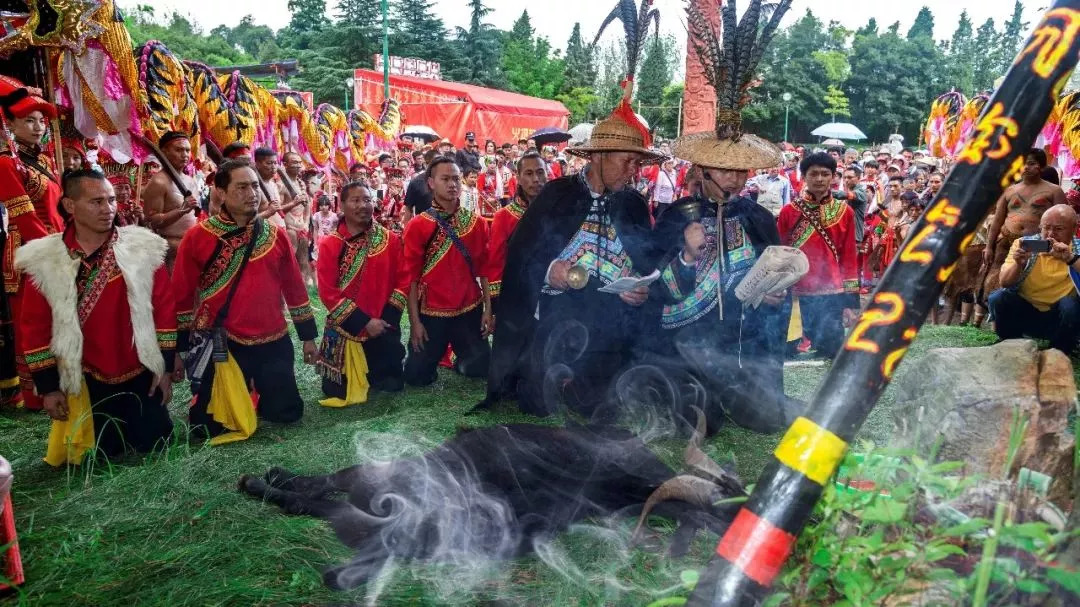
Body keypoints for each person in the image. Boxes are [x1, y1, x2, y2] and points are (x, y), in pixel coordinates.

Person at [479, 101, 661, 418]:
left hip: (608, 325)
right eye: (627, 161)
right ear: (599, 155)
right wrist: (549, 271)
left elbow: (647, 259)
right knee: (537, 404)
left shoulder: (634, 203)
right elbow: (522, 254)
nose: (634, 171)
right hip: (555, 317)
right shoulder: (557, 194)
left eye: (637, 162)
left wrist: (640, 289)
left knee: (597, 406)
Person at [16, 169, 175, 464]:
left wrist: (164, 368)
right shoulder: (45, 259)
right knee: (98, 456)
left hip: (140, 371)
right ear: (69, 206)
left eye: (111, 200)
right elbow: (34, 327)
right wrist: (50, 388)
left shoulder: (143, 248)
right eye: (97, 202)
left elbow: (165, 310)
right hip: (85, 380)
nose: (108, 209)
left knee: (156, 444)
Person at [173, 159, 318, 444]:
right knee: (208, 428)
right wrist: (177, 349)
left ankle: (256, 391)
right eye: (242, 187)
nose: (252, 193)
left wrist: (308, 337)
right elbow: (180, 296)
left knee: (287, 413)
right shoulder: (198, 237)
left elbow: (294, 288)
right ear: (221, 193)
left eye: (255, 186)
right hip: (220, 340)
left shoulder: (274, 235)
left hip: (271, 336)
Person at [397, 157, 493, 386]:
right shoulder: (417, 225)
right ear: (431, 183)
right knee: (417, 377)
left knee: (481, 368)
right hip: (432, 313)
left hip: (468, 309)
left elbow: (485, 270)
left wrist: (488, 310)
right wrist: (415, 323)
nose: (452, 184)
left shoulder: (476, 223)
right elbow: (411, 279)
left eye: (456, 179)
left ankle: (461, 360)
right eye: (445, 179)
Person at [0, 77, 65, 410]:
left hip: (57, 244)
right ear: (9, 122)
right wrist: (57, 249)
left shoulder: (46, 161)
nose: (38, 126)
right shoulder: (7, 164)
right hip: (30, 253)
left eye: (41, 120)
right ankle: (36, 394)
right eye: (29, 120)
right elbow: (25, 218)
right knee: (33, 321)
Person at [316, 182, 405, 404]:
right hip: (347, 329)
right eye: (355, 200)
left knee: (391, 384)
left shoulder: (389, 240)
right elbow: (329, 293)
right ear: (343, 204)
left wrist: (385, 319)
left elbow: (404, 279)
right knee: (336, 391)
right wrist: (364, 322)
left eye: (366, 200)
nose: (362, 205)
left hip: (383, 326)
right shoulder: (330, 244)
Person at [778, 152, 860, 358]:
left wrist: (850, 304)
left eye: (825, 174)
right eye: (813, 174)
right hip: (795, 293)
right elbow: (780, 252)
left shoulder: (845, 212)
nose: (820, 179)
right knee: (786, 354)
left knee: (831, 352)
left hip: (832, 293)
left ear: (833, 177)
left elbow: (849, 257)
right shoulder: (788, 211)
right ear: (804, 177)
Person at [988, 204, 1080, 354]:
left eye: (1058, 229)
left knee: (1069, 305)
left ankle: (1060, 350)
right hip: (1026, 312)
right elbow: (1004, 282)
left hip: (1059, 318)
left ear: (1074, 228)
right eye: (1046, 228)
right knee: (999, 297)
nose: (1051, 234)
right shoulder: (1023, 244)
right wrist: (1018, 265)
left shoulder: (1077, 248)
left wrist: (1070, 258)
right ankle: (1010, 342)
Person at [982, 149, 1067, 306]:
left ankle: (1029, 314)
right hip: (1006, 240)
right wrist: (989, 247)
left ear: (1041, 167)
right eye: (1022, 164)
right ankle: (993, 318)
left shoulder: (1054, 191)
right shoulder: (1009, 191)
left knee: (1030, 279)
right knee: (997, 277)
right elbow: (997, 222)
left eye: (1031, 163)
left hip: (1036, 243)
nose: (1025, 167)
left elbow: (1065, 219)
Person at [483, 151, 547, 317]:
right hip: (516, 298)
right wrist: (496, 306)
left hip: (551, 298)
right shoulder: (504, 216)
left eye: (540, 172)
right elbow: (495, 264)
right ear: (517, 177)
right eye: (529, 173)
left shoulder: (556, 212)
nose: (536, 179)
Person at [141, 131, 200, 271]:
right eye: (178, 150)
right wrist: (181, 210)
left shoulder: (191, 180)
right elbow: (152, 220)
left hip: (192, 247)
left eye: (187, 150)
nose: (185, 154)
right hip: (171, 251)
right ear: (164, 152)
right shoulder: (159, 182)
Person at [837, 166, 870, 293]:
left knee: (851, 265)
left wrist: (827, 192)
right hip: (844, 234)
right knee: (843, 263)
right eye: (845, 177)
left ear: (859, 178)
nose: (846, 180)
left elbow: (848, 195)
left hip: (854, 235)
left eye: (850, 177)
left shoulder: (861, 192)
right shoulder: (847, 191)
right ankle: (844, 291)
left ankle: (851, 294)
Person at [403, 149, 437, 222]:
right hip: (423, 227)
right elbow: (408, 209)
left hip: (445, 229)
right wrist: (406, 231)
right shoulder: (416, 182)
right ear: (427, 163)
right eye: (435, 163)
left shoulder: (448, 181)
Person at [312, 194, 338, 261]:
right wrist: (315, 244)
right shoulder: (316, 215)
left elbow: (337, 230)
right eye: (321, 205)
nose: (323, 207)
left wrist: (331, 233)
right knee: (320, 261)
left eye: (325, 205)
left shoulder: (334, 216)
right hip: (320, 241)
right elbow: (315, 229)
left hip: (331, 241)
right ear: (319, 206)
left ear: (329, 205)